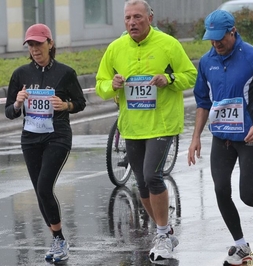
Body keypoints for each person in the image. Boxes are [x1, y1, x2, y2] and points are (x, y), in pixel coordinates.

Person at [187, 10, 253, 265]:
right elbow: (203, 102)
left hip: (249, 137)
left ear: (232, 31)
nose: (216, 44)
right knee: (221, 190)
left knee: (248, 194)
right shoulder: (206, 62)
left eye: (220, 38)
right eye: (211, 39)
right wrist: (195, 137)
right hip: (221, 137)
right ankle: (240, 245)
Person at [95, 0, 197, 262]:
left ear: (150, 18)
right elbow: (101, 84)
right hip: (132, 125)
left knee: (152, 176)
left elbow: (191, 75)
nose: (132, 22)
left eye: (137, 17)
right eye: (128, 17)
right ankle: (165, 230)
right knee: (140, 183)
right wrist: (112, 84)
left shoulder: (169, 45)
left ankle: (162, 234)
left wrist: (170, 79)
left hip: (162, 123)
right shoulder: (115, 48)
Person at [4, 23, 86, 263]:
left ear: (50, 44)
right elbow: (9, 112)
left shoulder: (65, 72)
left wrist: (66, 105)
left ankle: (59, 239)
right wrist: (18, 104)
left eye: (39, 44)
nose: (35, 49)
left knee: (43, 187)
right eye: (30, 45)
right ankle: (57, 239)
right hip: (30, 139)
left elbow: (80, 102)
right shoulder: (20, 74)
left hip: (57, 137)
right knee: (41, 193)